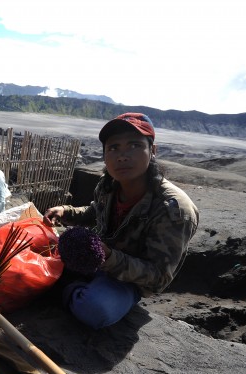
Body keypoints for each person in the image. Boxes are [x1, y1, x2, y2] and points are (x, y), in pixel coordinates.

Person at [43, 112, 199, 330]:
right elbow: (95, 211)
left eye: (134, 145)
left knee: (95, 309)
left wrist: (108, 256)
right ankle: (73, 284)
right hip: (97, 259)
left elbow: (158, 277)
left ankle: (67, 288)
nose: (122, 156)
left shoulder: (172, 209)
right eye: (113, 147)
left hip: (128, 280)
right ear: (105, 154)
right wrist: (65, 211)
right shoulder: (108, 186)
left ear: (152, 150)